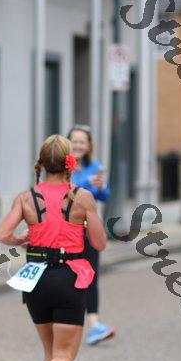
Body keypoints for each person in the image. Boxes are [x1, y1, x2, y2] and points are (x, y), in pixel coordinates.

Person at [0, 134, 106, 361]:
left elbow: (4, 234)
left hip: (35, 280)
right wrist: (80, 225)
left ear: (42, 164)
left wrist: (22, 239)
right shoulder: (82, 197)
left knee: (51, 352)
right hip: (69, 277)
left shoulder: (26, 197)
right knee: (65, 354)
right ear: (70, 163)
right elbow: (99, 242)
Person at [67, 124, 115, 345]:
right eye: (74, 141)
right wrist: (87, 183)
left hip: (90, 232)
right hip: (67, 234)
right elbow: (65, 193)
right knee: (67, 279)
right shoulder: (60, 166)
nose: (78, 145)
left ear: (88, 145)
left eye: (82, 142)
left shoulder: (94, 166)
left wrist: (102, 186)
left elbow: (104, 196)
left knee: (91, 278)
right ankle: (65, 324)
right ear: (68, 143)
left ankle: (94, 326)